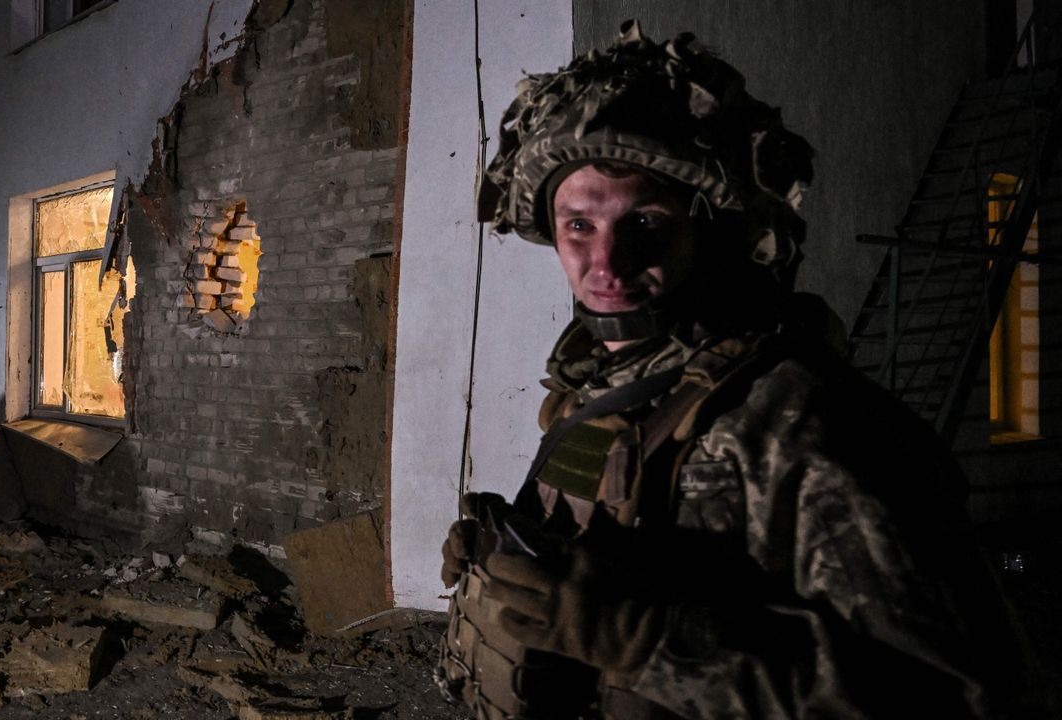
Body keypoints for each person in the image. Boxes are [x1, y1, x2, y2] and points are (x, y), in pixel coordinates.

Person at [435, 21, 1048, 719]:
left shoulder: (802, 423)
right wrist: (508, 555)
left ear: (709, 229)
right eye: (579, 225)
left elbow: (969, 701)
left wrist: (655, 643)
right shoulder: (600, 392)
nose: (605, 265)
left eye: (645, 225)